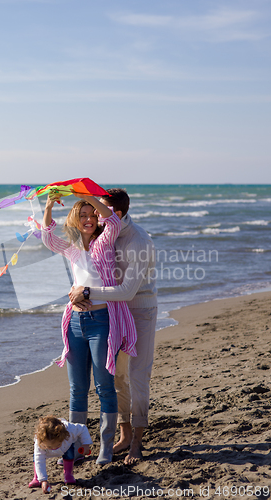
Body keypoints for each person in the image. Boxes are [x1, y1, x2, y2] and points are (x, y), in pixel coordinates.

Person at [41, 192, 137, 465]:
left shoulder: (105, 242)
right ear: (75, 218)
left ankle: (106, 446)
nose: (88, 219)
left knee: (104, 386)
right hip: (74, 322)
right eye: (82, 215)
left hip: (101, 320)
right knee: (77, 389)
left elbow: (112, 222)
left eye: (92, 215)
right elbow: (48, 238)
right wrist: (48, 206)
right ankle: (76, 448)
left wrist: (88, 197)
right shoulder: (72, 249)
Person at [69, 188, 157, 464]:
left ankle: (137, 444)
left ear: (115, 214)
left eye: (99, 210)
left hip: (139, 309)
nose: (95, 216)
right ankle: (125, 434)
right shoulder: (103, 235)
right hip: (111, 312)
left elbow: (128, 291)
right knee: (117, 376)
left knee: (138, 376)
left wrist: (86, 293)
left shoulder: (139, 241)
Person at [29, 415, 92, 493]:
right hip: (44, 450)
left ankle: (68, 474)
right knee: (37, 457)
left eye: (57, 445)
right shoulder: (40, 443)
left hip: (66, 446)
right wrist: (43, 480)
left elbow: (83, 428)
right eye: (49, 446)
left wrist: (85, 444)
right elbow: (39, 460)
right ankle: (36, 477)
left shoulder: (70, 430)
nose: (53, 448)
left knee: (69, 453)